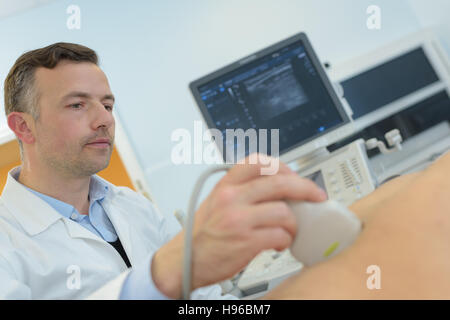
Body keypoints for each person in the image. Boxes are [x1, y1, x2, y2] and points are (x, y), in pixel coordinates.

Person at [0, 43, 327, 299]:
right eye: (77, 105)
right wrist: (162, 274)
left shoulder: (129, 204)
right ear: (24, 127)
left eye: (108, 105)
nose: (104, 119)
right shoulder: (7, 239)